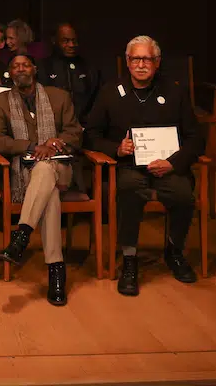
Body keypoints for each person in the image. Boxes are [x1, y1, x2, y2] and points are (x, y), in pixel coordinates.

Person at [83, 35, 204, 297]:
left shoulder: (175, 92)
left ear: (157, 62)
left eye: (147, 59)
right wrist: (116, 148)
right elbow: (91, 134)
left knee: (183, 194)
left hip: (167, 167)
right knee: (128, 191)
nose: (141, 64)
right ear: (127, 62)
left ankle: (174, 252)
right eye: (135, 58)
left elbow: (196, 138)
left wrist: (172, 163)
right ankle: (129, 259)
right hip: (128, 167)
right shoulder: (110, 92)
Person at [0, 52, 83, 306]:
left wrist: (55, 143)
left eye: (25, 64)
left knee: (45, 169)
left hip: (61, 167)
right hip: (24, 170)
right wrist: (33, 145)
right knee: (47, 190)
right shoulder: (0, 102)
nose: (21, 69)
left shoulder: (59, 96)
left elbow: (75, 133)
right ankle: (56, 269)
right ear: (9, 72)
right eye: (15, 66)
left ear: (34, 68)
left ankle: (21, 235)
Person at [41, 23, 103, 124]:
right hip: (52, 126)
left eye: (74, 41)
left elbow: (98, 99)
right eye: (65, 41)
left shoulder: (89, 67)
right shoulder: (43, 67)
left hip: (84, 127)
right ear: (54, 41)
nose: (71, 45)